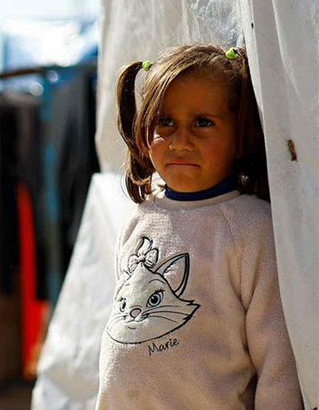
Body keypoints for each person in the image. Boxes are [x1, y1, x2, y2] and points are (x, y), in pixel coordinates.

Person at [96, 44, 304, 409]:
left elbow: (277, 358)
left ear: (241, 135)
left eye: (202, 123)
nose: (181, 141)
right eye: (165, 122)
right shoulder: (139, 219)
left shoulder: (250, 229)